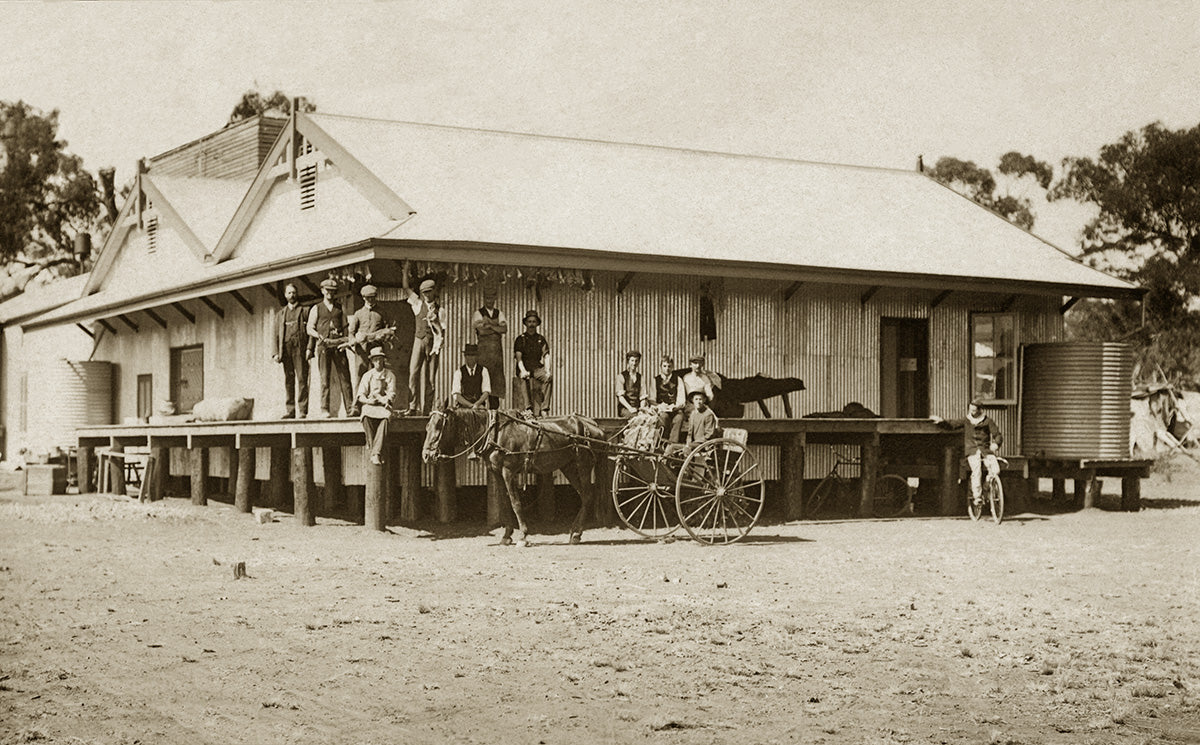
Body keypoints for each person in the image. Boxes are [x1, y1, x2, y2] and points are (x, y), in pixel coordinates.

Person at [933, 399, 1004, 506]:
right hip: (972, 451)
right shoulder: (967, 420)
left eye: (974, 411)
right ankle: (977, 496)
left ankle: (986, 486)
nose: (972, 412)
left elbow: (997, 435)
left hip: (985, 451)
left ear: (980, 410)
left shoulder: (988, 421)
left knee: (995, 469)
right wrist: (941, 421)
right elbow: (953, 424)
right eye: (971, 410)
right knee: (976, 471)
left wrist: (996, 444)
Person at [306, 278, 357, 417]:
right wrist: (318, 336)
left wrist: (347, 341)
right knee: (324, 377)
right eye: (327, 290)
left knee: (345, 377)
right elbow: (309, 328)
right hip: (323, 346)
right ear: (322, 291)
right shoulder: (316, 308)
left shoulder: (340, 308)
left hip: (339, 345)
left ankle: (350, 408)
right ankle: (324, 409)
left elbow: (346, 327)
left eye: (333, 291)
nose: (330, 293)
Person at [400, 263, 446, 416]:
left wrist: (436, 321)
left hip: (433, 344)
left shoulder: (441, 310)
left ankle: (427, 409)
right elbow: (406, 288)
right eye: (424, 293)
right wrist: (405, 270)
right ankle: (412, 407)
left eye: (429, 292)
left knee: (431, 378)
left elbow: (443, 332)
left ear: (434, 292)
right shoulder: (418, 304)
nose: (426, 295)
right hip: (418, 340)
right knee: (413, 372)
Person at [272, 282, 312, 418]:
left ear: (297, 294)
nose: (292, 295)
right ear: (285, 295)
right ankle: (290, 410)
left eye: (294, 292)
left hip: (300, 349)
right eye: (289, 293)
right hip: (286, 350)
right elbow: (275, 335)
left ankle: (302, 411)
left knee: (302, 379)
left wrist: (309, 348)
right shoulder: (280, 314)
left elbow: (311, 331)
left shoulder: (304, 311)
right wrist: (276, 353)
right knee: (289, 380)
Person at [356, 346, 397, 465]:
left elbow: (392, 393)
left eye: (380, 359)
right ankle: (376, 449)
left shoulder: (389, 375)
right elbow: (361, 395)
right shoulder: (367, 375)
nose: (378, 362)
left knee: (386, 418)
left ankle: (375, 452)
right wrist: (369, 401)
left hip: (383, 405)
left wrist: (385, 399)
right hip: (371, 404)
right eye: (375, 360)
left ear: (383, 360)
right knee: (365, 416)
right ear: (372, 361)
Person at [346, 283, 393, 388]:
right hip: (361, 349)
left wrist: (385, 336)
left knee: (378, 374)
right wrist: (353, 340)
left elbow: (388, 329)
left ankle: (379, 399)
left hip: (377, 348)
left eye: (372, 297)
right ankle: (357, 402)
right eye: (368, 298)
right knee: (360, 374)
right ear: (363, 298)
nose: (370, 300)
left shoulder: (381, 312)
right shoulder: (358, 313)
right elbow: (351, 332)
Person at [471, 285, 507, 409]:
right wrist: (495, 327)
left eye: (491, 298)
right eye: (487, 298)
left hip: (496, 355)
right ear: (484, 299)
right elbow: (481, 331)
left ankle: (494, 413)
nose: (489, 301)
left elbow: (504, 329)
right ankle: (481, 410)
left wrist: (489, 325)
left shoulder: (499, 313)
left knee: (495, 384)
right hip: (484, 354)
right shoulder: (478, 313)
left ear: (495, 298)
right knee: (483, 381)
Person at [668, 354, 716, 442]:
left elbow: (710, 395)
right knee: (694, 415)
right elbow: (683, 394)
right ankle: (693, 440)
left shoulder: (705, 378)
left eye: (700, 363)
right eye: (695, 363)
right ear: (690, 365)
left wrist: (707, 403)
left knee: (711, 417)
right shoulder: (686, 378)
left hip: (701, 403)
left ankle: (704, 440)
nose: (697, 366)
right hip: (689, 405)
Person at [514, 309, 552, 416]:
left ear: (537, 324)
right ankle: (528, 408)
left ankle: (544, 409)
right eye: (529, 322)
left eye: (534, 322)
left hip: (536, 368)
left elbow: (546, 356)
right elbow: (518, 358)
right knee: (523, 378)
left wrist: (548, 371)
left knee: (548, 377)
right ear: (526, 323)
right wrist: (523, 370)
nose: (531, 324)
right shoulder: (520, 339)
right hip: (524, 367)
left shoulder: (541, 339)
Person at [666, 390, 719, 457]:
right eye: (696, 399)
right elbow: (690, 433)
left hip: (704, 445)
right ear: (693, 400)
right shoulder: (693, 414)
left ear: (704, 400)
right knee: (672, 447)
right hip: (693, 444)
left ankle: (686, 465)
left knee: (686, 450)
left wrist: (691, 444)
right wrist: (688, 442)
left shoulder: (708, 414)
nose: (698, 402)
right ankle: (663, 462)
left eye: (700, 399)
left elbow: (709, 435)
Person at [451, 344, 492, 409]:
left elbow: (486, 392)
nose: (470, 358)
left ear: (477, 357)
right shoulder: (458, 373)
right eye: (468, 355)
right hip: (463, 408)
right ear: (465, 356)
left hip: (479, 407)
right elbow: (456, 395)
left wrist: (477, 404)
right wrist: (470, 405)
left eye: (473, 355)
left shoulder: (484, 371)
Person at [615, 350, 649, 417]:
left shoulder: (641, 377)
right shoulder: (621, 376)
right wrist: (630, 408)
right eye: (632, 360)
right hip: (625, 408)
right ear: (628, 361)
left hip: (637, 408)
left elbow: (642, 397)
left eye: (636, 361)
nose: (634, 363)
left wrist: (641, 410)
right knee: (635, 417)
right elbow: (621, 398)